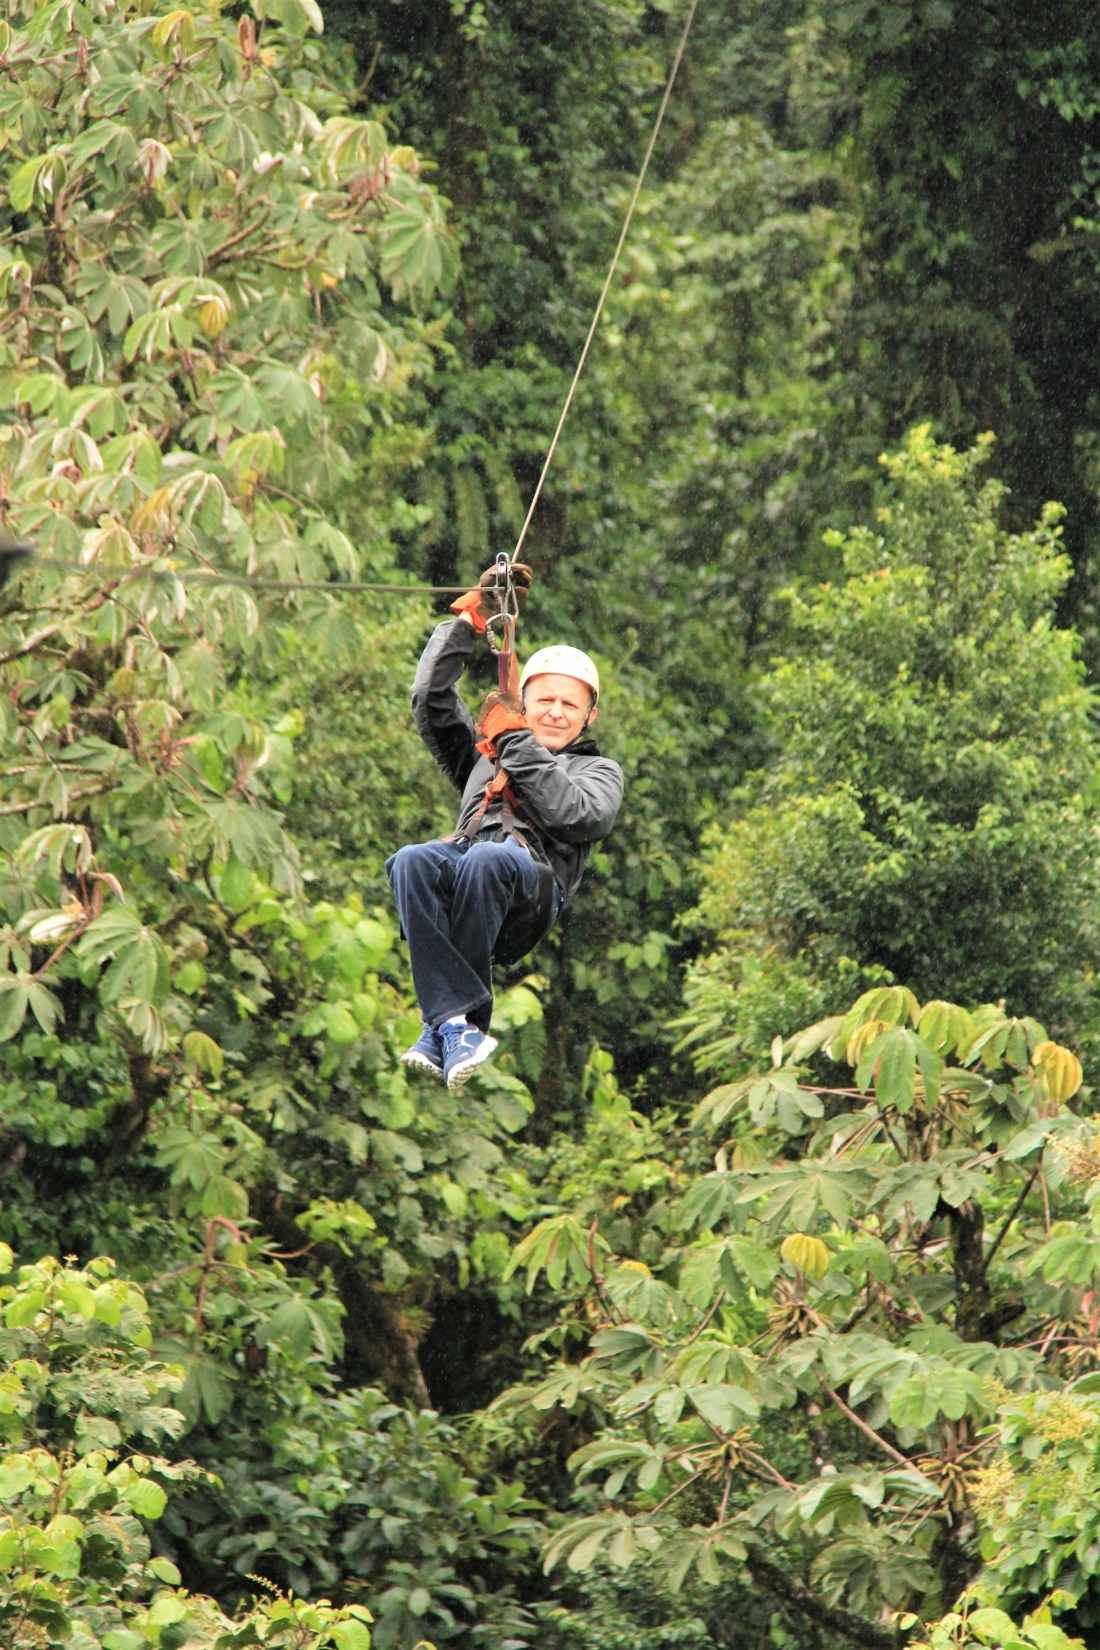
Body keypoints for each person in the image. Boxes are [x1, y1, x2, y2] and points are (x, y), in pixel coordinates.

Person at [386, 562, 624, 1089]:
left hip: (528, 892)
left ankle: (466, 1018)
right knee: (413, 859)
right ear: (525, 702)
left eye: (570, 705)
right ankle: (449, 1024)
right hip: (470, 866)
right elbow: (430, 700)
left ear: (589, 717)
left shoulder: (598, 772)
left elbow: (575, 815)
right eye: (545, 701)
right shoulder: (482, 756)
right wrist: (470, 620)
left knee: (489, 858)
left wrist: (515, 741)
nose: (556, 712)